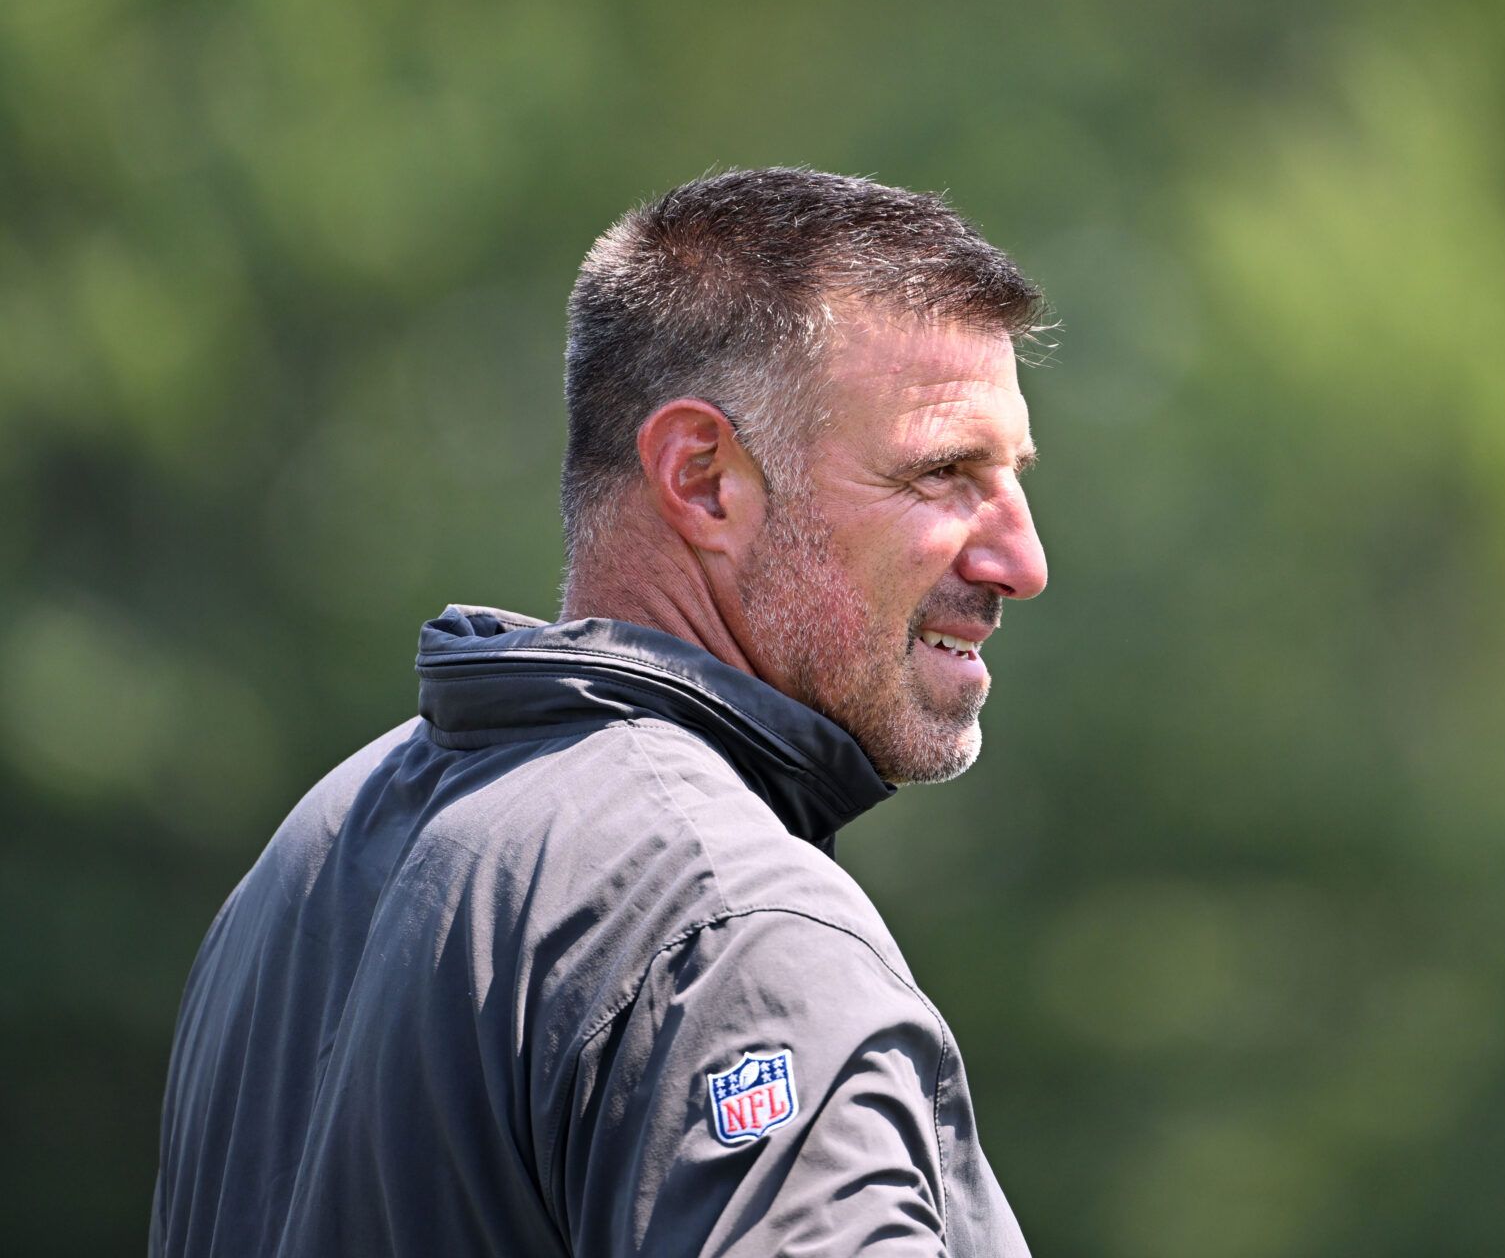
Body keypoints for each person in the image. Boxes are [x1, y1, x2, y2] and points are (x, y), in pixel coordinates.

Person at [150, 169, 1049, 1257]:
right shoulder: (727, 929)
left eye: (1013, 477)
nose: (1021, 559)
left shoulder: (314, 853)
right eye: (946, 472)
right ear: (705, 479)